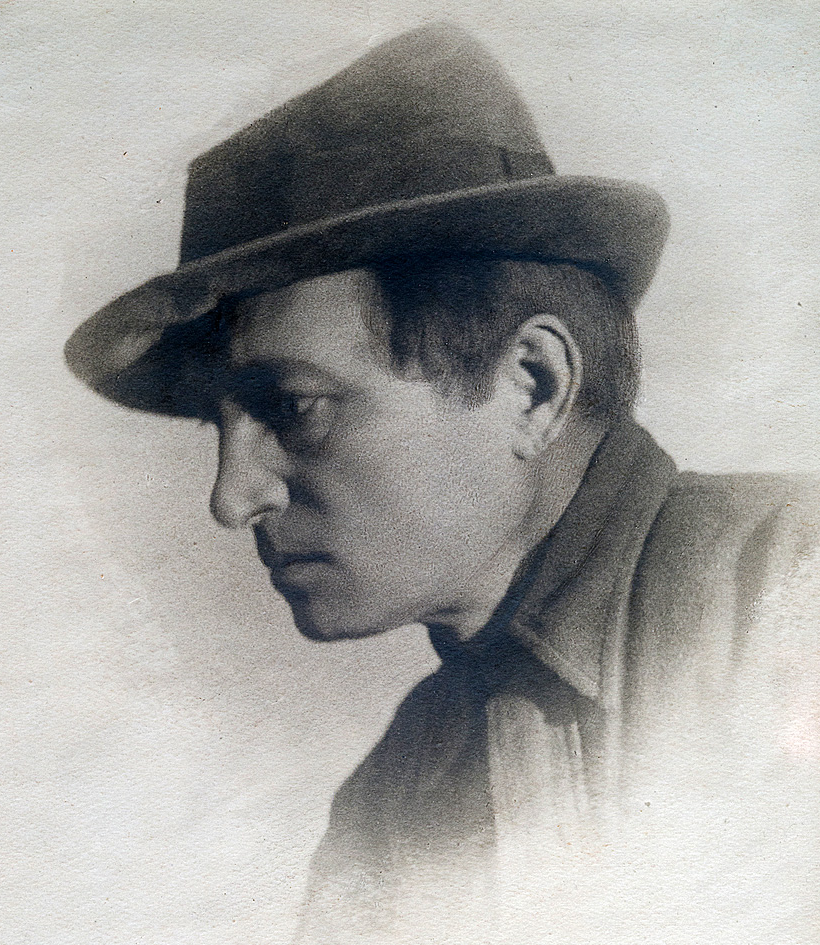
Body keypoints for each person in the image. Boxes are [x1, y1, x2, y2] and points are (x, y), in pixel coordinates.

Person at [65, 23, 820, 945]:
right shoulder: (394, 798)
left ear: (532, 385)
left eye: (294, 407)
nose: (232, 498)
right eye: (214, 428)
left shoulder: (794, 589)